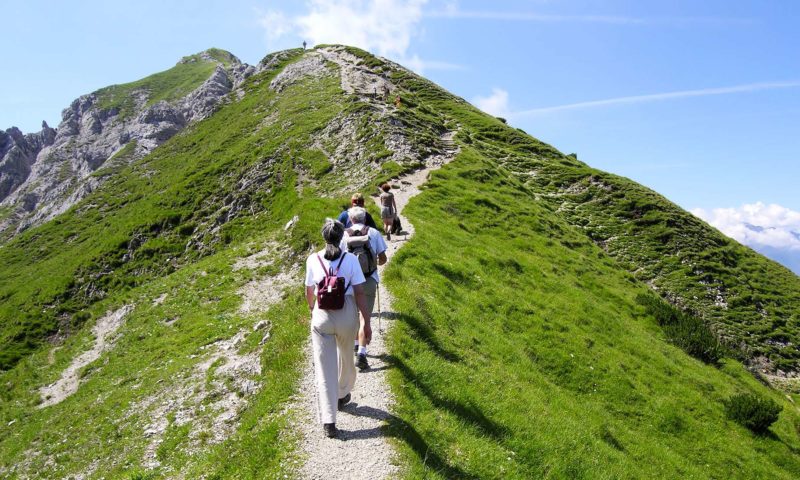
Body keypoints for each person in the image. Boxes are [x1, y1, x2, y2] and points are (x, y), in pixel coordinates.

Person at [304, 219, 372, 439]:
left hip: (322, 315)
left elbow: (309, 292)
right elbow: (360, 292)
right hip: (346, 314)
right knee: (346, 358)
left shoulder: (312, 259)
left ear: (324, 238)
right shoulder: (351, 260)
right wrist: (366, 322)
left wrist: (313, 311)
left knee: (324, 370)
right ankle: (342, 393)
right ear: (341, 238)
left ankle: (329, 421)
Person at [342, 206, 387, 370]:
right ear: (365, 217)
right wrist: (373, 265)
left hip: (348, 283)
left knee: (352, 315)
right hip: (368, 280)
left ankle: (355, 343)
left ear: (351, 218)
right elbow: (383, 259)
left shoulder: (343, 234)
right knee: (364, 317)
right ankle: (361, 352)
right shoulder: (374, 233)